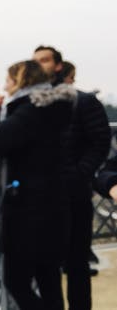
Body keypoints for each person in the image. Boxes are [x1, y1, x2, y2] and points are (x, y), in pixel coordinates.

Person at [0, 60, 75, 310]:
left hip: (30, 211)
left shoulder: (30, 111)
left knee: (17, 282)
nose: (5, 86)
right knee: (49, 279)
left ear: (22, 82)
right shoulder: (53, 107)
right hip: (53, 206)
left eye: (9, 81)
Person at [33, 46, 111, 310]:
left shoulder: (83, 101)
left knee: (76, 263)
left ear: (58, 65)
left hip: (74, 195)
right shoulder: (35, 100)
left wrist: (78, 175)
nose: (39, 65)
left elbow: (100, 143)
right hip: (43, 196)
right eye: (35, 61)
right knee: (47, 265)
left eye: (44, 60)